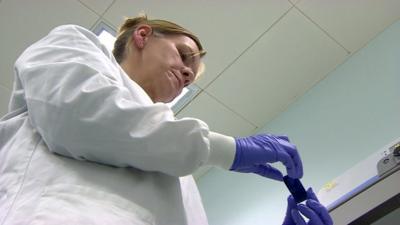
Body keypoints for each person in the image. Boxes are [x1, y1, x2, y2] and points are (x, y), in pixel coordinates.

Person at [0, 14, 332, 225]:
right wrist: (229, 150)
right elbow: (78, 116)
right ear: (142, 36)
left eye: (191, 79)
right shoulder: (75, 44)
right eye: (183, 55)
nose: (188, 72)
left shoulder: (174, 159)